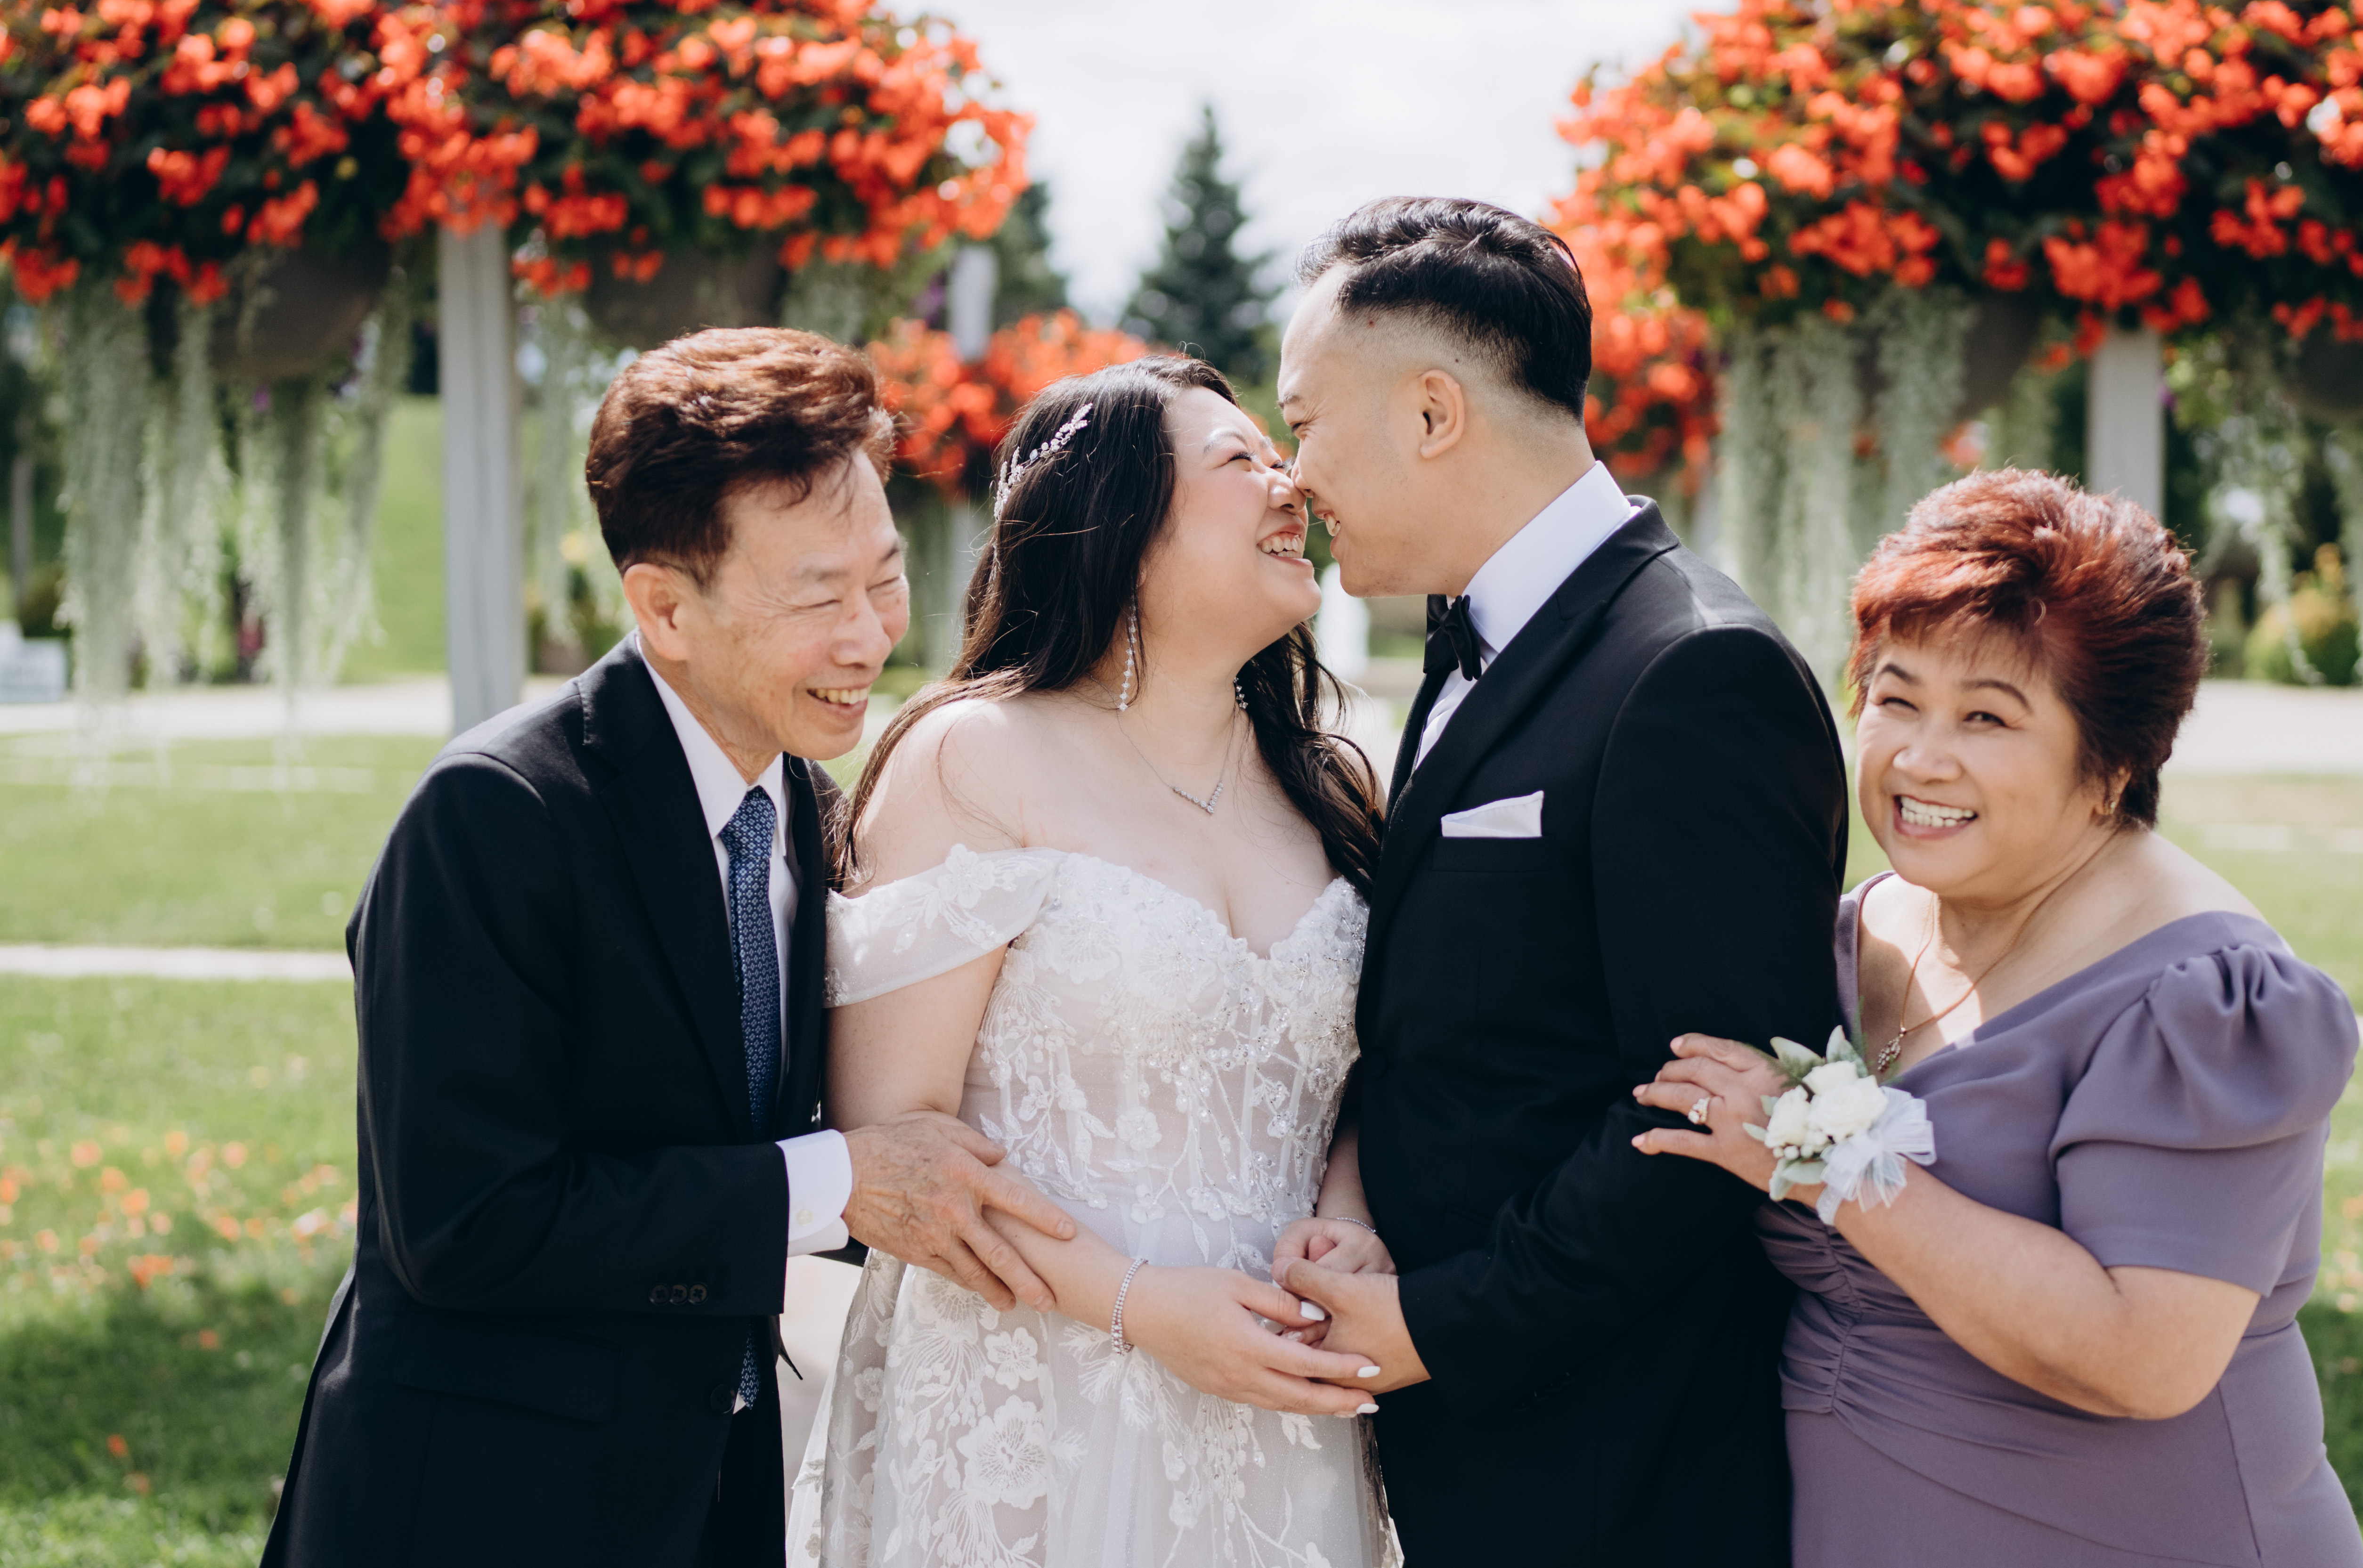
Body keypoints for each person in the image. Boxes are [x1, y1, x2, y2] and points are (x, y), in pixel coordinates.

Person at [263, 329, 1080, 1568]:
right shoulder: (494, 815)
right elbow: (466, 1224)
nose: (869, 637)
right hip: (480, 1506)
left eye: (885, 579)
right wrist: (836, 1180)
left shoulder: (802, 804)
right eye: (818, 597)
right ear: (663, 608)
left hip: (706, 1491)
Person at [1636, 469, 2363, 1568]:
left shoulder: (2202, 997)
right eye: (1895, 698)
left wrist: (1816, 1155)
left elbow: (2142, 1357)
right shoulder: (1842, 935)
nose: (1920, 758)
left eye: (1985, 716)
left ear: (2113, 760)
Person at [1265, 197, 1849, 1564]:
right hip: (1474, 1444)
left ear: (1431, 412)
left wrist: (1436, 1324)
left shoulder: (1694, 672)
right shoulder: (1477, 630)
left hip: (1613, 1465)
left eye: (1302, 422)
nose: (1292, 477)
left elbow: (1707, 1120)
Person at [790, 356, 1399, 1568]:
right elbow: (895, 1147)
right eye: (1238, 459)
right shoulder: (976, 758)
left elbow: (1373, 1074)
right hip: (1036, 1400)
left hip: (1284, 1398)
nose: (1289, 483)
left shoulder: (1334, 782)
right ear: (1124, 526)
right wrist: (1142, 1306)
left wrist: (1346, 1218)